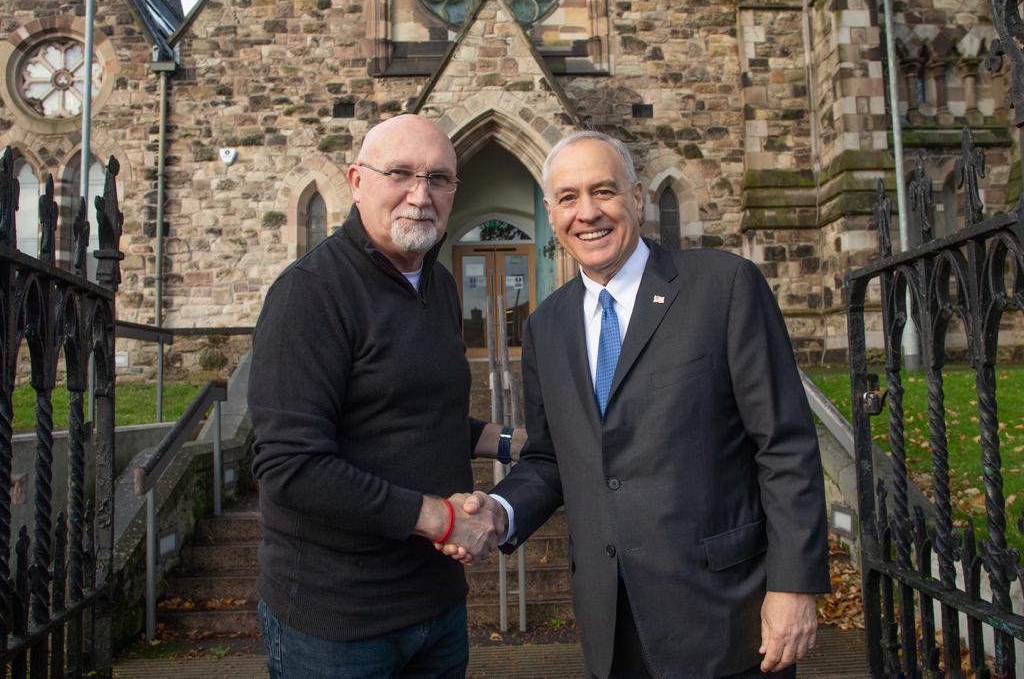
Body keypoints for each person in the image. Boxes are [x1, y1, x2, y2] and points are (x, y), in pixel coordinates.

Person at [447, 131, 830, 678]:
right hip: (612, 624)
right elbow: (552, 459)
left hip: (726, 616)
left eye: (603, 191)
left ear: (638, 197)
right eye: (569, 198)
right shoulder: (545, 326)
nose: (589, 213)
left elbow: (784, 444)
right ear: (551, 212)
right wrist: (501, 511)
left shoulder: (724, 286)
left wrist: (793, 585)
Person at [248, 113, 513, 678]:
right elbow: (291, 467)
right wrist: (440, 519)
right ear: (357, 180)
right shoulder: (309, 294)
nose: (421, 196)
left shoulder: (438, 284)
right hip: (338, 623)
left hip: (437, 608)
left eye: (439, 179)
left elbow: (414, 415)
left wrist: (511, 439)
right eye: (401, 174)